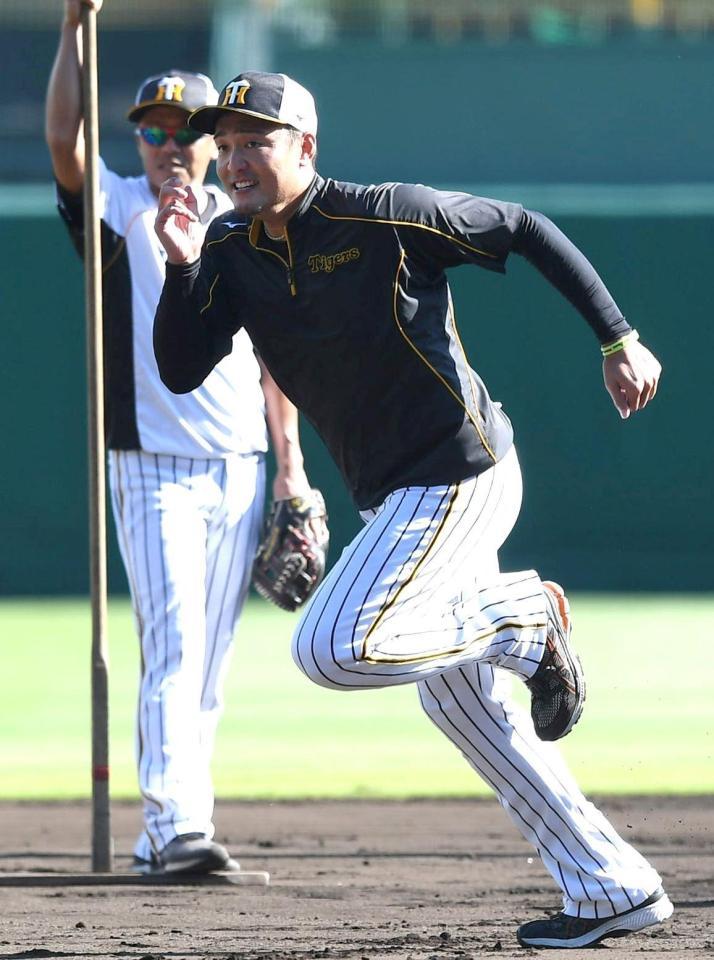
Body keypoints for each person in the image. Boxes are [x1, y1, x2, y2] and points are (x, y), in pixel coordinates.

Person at [152, 69, 671, 947]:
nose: (234, 160)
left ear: (305, 146)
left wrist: (618, 338)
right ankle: (611, 886)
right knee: (462, 708)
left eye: (255, 142)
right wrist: (180, 265)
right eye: (226, 144)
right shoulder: (230, 247)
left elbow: (523, 227)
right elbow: (179, 367)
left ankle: (522, 619)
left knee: (333, 645)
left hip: (460, 474)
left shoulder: (384, 215)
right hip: (392, 498)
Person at [45, 8, 316, 876]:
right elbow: (63, 140)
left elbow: (277, 359)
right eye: (153, 130)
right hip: (150, 467)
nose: (168, 144)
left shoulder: (243, 225)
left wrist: (291, 469)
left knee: (210, 667)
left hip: (240, 466)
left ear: (212, 143)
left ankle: (167, 828)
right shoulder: (119, 210)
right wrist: (73, 28)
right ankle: (175, 826)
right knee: (174, 648)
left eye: (185, 130)